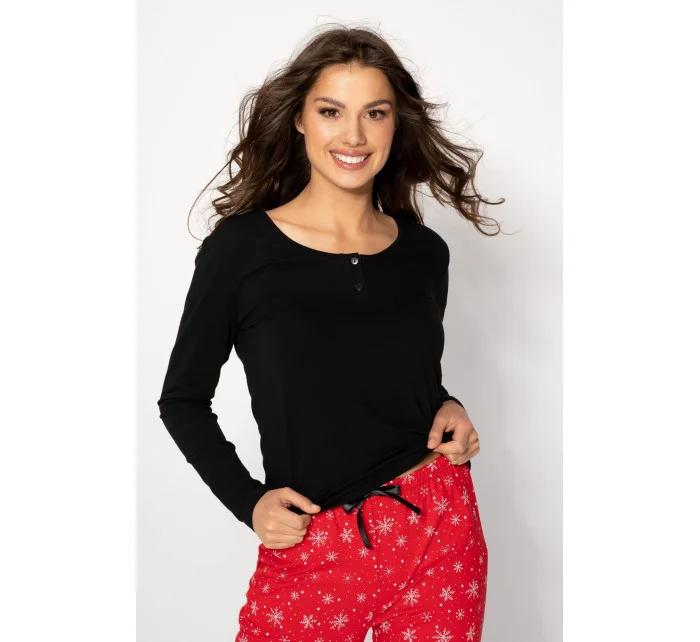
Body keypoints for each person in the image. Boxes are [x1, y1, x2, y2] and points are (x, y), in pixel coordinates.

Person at [157, 25, 504, 642]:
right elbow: (182, 399)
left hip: (438, 525)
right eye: (331, 111)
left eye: (375, 112)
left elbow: (396, 372)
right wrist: (249, 501)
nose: (354, 135)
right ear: (299, 119)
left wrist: (448, 404)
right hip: (315, 538)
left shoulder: (424, 253)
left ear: (396, 124)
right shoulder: (240, 251)